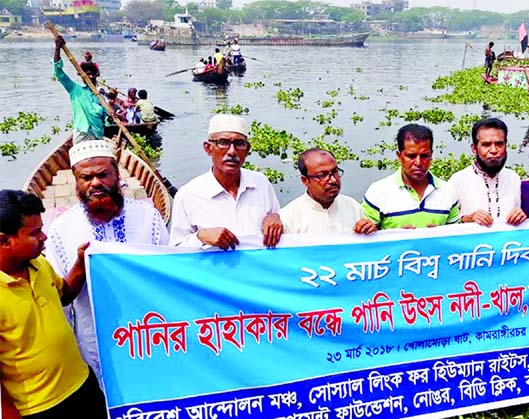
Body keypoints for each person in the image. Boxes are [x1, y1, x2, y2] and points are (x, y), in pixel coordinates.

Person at [0, 189, 111, 419]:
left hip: (80, 389)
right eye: (34, 232)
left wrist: (81, 263)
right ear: (4, 240)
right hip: (34, 411)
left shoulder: (38, 264)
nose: (44, 237)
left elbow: (64, 294)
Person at [46, 140, 169, 383]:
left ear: (117, 174)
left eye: (103, 175)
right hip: (93, 338)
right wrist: (82, 264)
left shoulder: (146, 215)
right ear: (76, 181)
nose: (95, 183)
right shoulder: (62, 229)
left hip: (149, 331)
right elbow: (59, 295)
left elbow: (167, 272)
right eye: (86, 178)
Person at [170, 114, 283, 249]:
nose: (232, 152)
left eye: (239, 144)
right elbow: (175, 249)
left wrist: (275, 217)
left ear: (247, 150)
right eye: (223, 142)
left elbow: (275, 218)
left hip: (258, 268)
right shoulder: (188, 194)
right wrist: (200, 237)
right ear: (208, 148)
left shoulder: (261, 183)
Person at [362, 124, 460, 229]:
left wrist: (440, 234)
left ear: (431, 155)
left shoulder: (448, 192)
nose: (418, 162)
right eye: (411, 156)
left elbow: (455, 237)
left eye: (424, 156)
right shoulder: (377, 192)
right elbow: (366, 239)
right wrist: (396, 238)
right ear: (399, 156)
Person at [448, 118, 527, 226]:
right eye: (486, 144)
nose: (494, 150)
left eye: (499, 144)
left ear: (506, 146)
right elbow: (447, 226)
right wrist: (468, 218)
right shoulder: (457, 181)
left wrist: (519, 215)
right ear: (474, 149)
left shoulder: (513, 178)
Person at [281, 148, 377, 235]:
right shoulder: (288, 218)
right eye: (322, 175)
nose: (333, 180)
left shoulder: (352, 207)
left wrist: (370, 231)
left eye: (335, 172)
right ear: (305, 180)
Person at [53, 36, 107, 143]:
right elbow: (59, 73)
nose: (90, 77)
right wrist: (57, 48)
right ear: (82, 76)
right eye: (87, 74)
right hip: (82, 134)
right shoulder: (75, 89)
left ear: (96, 76)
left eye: (92, 74)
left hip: (98, 135)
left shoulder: (100, 97)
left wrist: (110, 119)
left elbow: (105, 118)